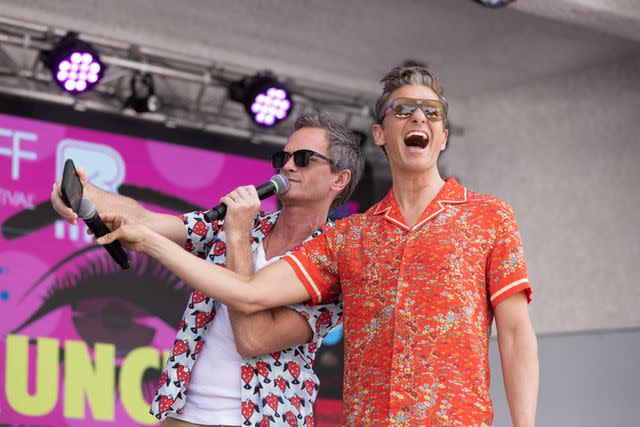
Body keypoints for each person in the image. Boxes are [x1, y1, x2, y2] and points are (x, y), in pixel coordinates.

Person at [95, 65, 539, 426]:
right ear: (380, 133)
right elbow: (246, 292)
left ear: (442, 136)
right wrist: (109, 213)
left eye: (432, 112)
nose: (419, 118)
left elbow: (516, 334)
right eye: (403, 109)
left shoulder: (488, 216)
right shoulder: (350, 237)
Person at [51, 112, 365, 426]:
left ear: (339, 179)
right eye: (283, 157)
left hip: (264, 419)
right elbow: (145, 221)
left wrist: (238, 236)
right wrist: (82, 192)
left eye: (304, 158)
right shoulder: (242, 223)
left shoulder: (334, 259)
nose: (288, 166)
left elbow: (253, 339)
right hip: (183, 412)